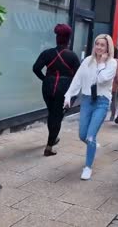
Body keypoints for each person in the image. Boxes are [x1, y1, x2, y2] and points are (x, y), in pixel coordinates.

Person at [64, 34, 117, 180]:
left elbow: (101, 79)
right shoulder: (88, 60)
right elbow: (78, 79)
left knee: (90, 135)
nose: (99, 47)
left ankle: (88, 167)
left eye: (102, 45)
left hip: (102, 101)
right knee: (82, 135)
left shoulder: (112, 63)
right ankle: (92, 145)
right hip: (87, 100)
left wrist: (101, 63)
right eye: (97, 44)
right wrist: (68, 96)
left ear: (108, 48)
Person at [33, 24, 80, 156]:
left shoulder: (47, 53)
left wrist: (45, 79)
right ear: (68, 39)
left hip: (48, 86)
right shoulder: (72, 56)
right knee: (57, 116)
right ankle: (49, 146)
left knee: (52, 113)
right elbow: (78, 75)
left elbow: (35, 68)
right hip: (64, 87)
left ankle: (52, 138)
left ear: (57, 38)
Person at [109, 48, 118, 121]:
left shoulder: (105, 60)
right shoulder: (116, 61)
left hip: (105, 86)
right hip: (113, 85)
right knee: (113, 100)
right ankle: (112, 115)